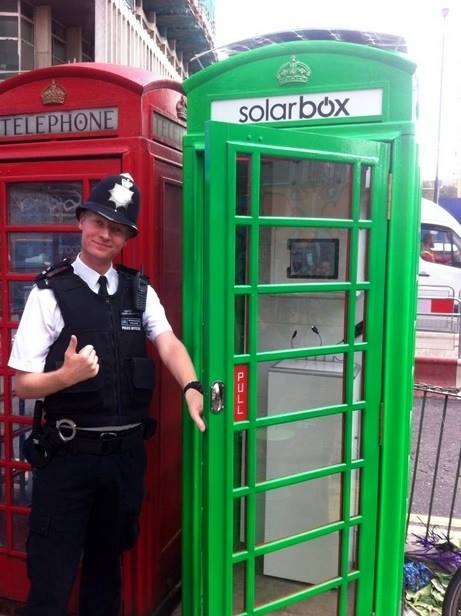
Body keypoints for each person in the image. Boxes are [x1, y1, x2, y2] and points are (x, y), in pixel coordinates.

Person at [8, 172, 205, 616]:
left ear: (127, 237)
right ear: (81, 221)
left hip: (124, 461)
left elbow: (168, 341)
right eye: (98, 221)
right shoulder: (49, 292)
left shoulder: (140, 290)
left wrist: (190, 385)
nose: (105, 233)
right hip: (67, 459)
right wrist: (66, 375)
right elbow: (22, 382)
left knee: (106, 573)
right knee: (52, 579)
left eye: (117, 228)